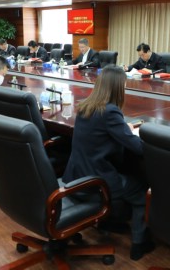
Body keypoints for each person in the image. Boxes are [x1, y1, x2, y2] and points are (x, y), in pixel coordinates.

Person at [62, 65, 154, 261]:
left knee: (126, 173)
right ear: (117, 88)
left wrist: (122, 129)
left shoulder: (86, 106)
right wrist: (132, 134)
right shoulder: (110, 112)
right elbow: (138, 147)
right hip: (94, 182)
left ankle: (109, 222)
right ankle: (139, 243)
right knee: (142, 191)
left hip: (75, 176)